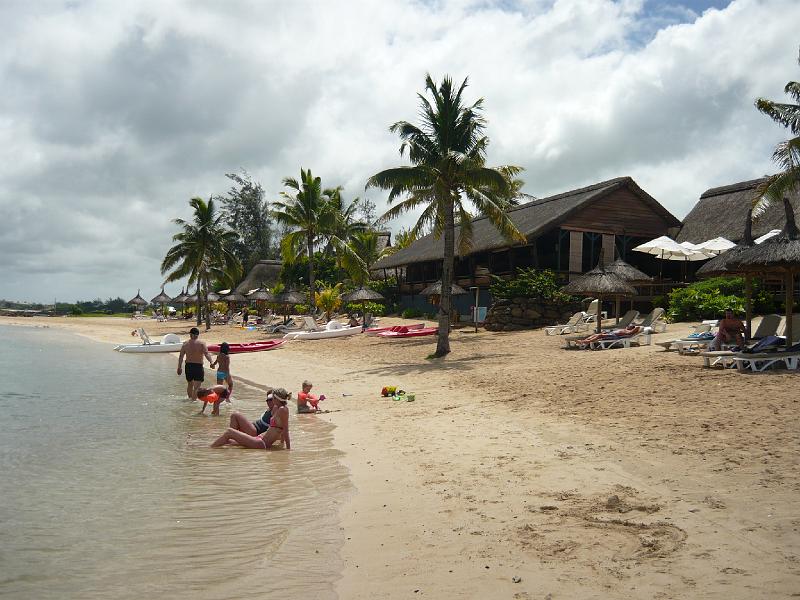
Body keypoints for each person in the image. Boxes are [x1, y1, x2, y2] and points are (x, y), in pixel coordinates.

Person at [211, 388, 291, 449]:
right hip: (260, 439)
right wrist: (281, 444)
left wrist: (288, 449)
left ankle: (210, 450)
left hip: (262, 444)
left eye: (272, 398)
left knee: (229, 432)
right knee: (229, 441)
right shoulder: (277, 408)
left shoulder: (283, 410)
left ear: (277, 399)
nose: (270, 400)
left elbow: (285, 430)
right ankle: (213, 450)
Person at [177, 327, 213, 401]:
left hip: (188, 366)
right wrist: (211, 362)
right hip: (198, 366)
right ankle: (193, 402)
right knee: (196, 387)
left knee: (190, 385)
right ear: (197, 335)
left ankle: (190, 400)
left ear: (190, 334)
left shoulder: (185, 344)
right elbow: (206, 354)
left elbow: (181, 356)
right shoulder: (202, 343)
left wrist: (179, 367)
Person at [578, 325, 643, 347]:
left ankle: (585, 342)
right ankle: (584, 341)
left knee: (599, 335)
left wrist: (636, 327)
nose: (628, 326)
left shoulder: (629, 331)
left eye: (629, 326)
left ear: (631, 328)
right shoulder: (625, 329)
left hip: (614, 336)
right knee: (595, 334)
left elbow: (638, 327)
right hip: (611, 334)